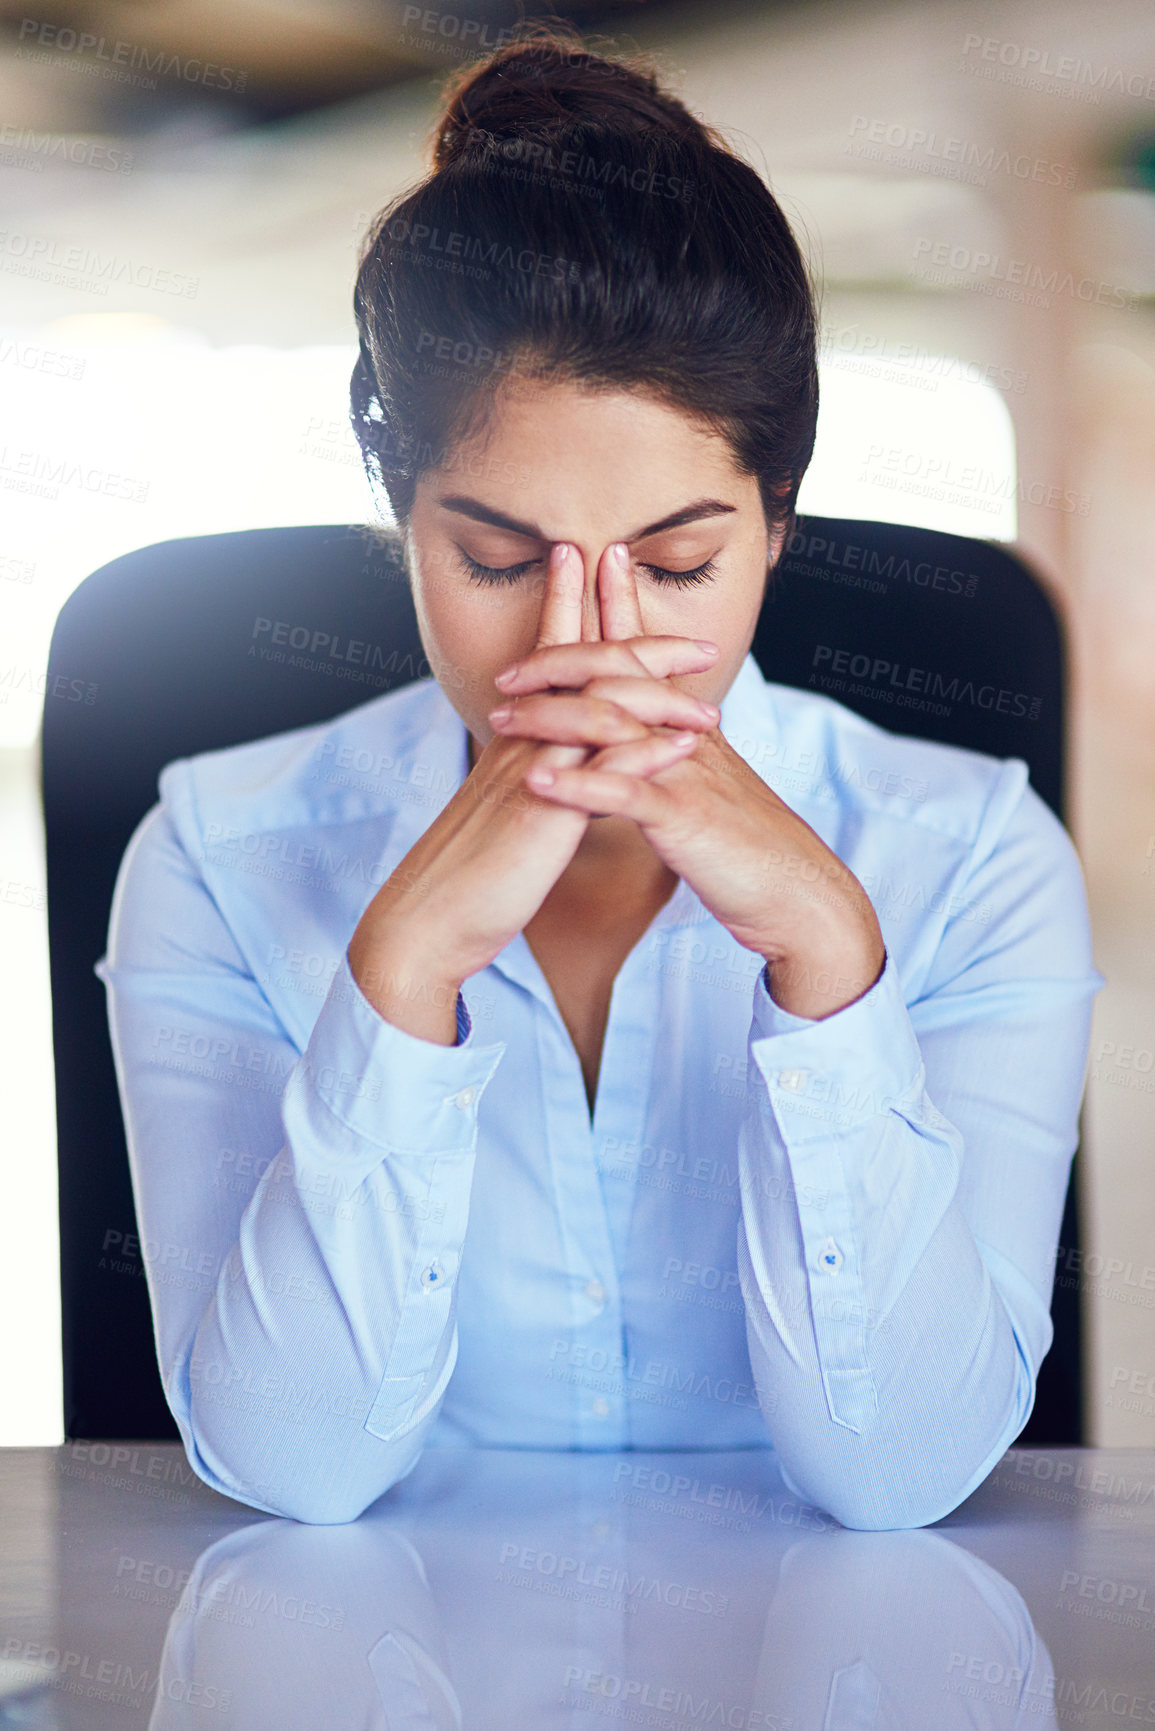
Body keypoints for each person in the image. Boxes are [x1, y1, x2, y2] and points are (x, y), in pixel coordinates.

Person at [95, 30, 1105, 1529]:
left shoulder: (971, 860)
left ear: (776, 524)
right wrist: (402, 970)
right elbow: (294, 1468)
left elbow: (899, 1479)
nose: (586, 646)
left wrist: (831, 960)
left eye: (678, 563)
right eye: (499, 558)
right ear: (401, 519)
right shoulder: (217, 856)